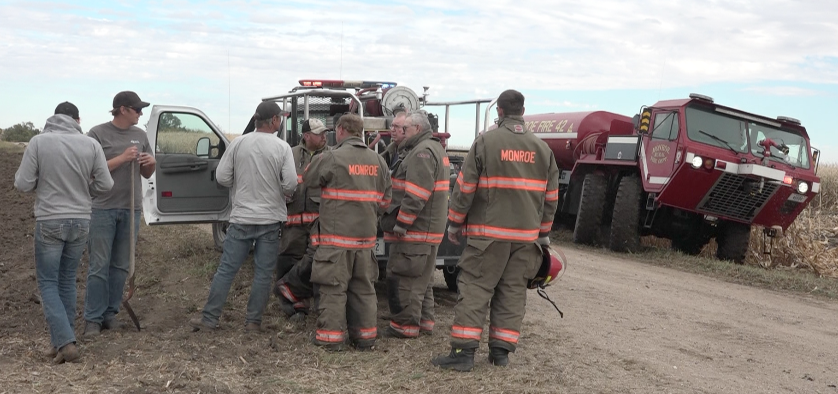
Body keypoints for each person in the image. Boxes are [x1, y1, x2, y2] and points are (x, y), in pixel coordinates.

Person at [431, 89, 560, 371]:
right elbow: (551, 198)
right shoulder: (543, 149)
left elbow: (464, 189)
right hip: (526, 240)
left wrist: (454, 223)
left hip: (487, 238)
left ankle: (463, 353)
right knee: (512, 293)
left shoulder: (485, 142)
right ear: (523, 112)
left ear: (499, 112)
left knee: (475, 290)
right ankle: (500, 354)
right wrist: (543, 234)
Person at [15, 102, 113, 362]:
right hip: (81, 220)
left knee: (48, 283)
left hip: (50, 220)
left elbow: (22, 184)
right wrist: (84, 188)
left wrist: (42, 181)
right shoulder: (91, 145)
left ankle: (66, 342)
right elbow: (106, 183)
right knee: (67, 280)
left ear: (53, 117)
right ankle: (60, 339)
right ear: (77, 120)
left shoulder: (38, 142)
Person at [190, 101, 297, 332]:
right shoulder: (282, 148)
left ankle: (209, 319)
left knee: (227, 269)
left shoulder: (239, 143)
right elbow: (290, 184)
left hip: (241, 218)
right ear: (275, 121)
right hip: (269, 220)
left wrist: (239, 186)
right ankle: (252, 322)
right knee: (262, 273)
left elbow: (222, 177)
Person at [306, 113, 391, 351]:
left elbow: (308, 179)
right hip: (365, 242)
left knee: (333, 288)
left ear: (341, 130)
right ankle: (365, 339)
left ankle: (331, 340)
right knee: (364, 288)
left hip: (336, 241)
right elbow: (386, 202)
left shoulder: (332, 157)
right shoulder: (379, 162)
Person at [83, 91, 155, 336]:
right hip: (102, 207)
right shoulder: (96, 134)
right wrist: (122, 158)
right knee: (99, 265)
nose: (141, 113)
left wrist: (150, 163)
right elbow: (91, 171)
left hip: (130, 208)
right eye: (137, 109)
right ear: (123, 109)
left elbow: (146, 174)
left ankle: (110, 315)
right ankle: (92, 319)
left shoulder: (140, 135)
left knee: (121, 265)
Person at [382, 111, 449, 338]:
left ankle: (405, 328)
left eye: (406, 129)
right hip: (428, 229)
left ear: (418, 129)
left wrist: (402, 223)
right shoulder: (433, 148)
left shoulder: (422, 153)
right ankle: (424, 323)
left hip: (417, 230)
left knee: (406, 279)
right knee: (423, 280)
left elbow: (417, 194)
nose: (402, 132)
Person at [274, 118, 329, 320]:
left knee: (318, 264)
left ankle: (321, 306)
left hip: (319, 224)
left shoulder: (331, 156)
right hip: (293, 224)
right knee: (289, 261)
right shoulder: (290, 153)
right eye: (319, 133)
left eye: (325, 133)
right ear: (306, 136)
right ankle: (295, 306)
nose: (324, 136)